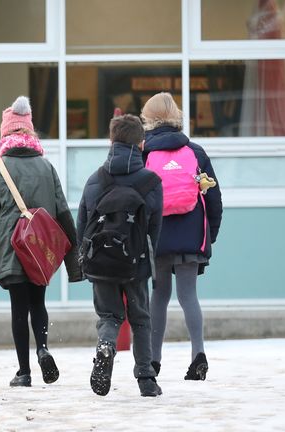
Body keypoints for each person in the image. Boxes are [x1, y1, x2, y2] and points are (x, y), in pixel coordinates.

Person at [0, 96, 82, 388]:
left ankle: (24, 371)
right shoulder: (46, 167)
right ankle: (43, 348)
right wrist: (74, 259)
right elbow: (62, 212)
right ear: (30, 132)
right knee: (39, 303)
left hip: (13, 250)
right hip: (41, 252)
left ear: (6, 133)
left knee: (18, 309)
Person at [77, 114, 164, 397]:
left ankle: (106, 346)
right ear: (141, 143)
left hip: (101, 261)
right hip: (135, 262)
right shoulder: (151, 181)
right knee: (141, 318)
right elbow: (155, 227)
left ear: (111, 141)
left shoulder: (95, 179)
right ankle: (146, 379)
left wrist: (84, 258)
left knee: (109, 316)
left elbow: (83, 222)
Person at [141, 92, 223, 381]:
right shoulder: (195, 151)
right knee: (189, 296)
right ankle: (198, 354)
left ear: (148, 119)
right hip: (190, 234)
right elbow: (214, 198)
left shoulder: (145, 152)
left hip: (158, 236)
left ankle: (153, 361)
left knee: (159, 297)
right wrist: (209, 233)